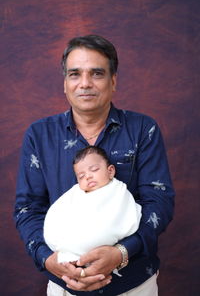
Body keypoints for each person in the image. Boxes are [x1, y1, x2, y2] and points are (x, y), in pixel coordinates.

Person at [14, 34, 175, 296]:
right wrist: (48, 260)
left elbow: (159, 202)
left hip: (134, 283)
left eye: (97, 74)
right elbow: (27, 208)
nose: (85, 84)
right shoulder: (39, 135)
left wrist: (121, 253)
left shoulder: (143, 129)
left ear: (113, 81)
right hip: (64, 284)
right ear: (65, 83)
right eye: (75, 74)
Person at [43, 146, 142, 269]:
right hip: (68, 249)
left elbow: (125, 214)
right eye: (81, 176)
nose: (88, 176)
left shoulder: (118, 191)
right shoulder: (75, 194)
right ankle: (72, 254)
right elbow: (58, 212)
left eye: (94, 169)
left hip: (111, 255)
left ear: (110, 171)